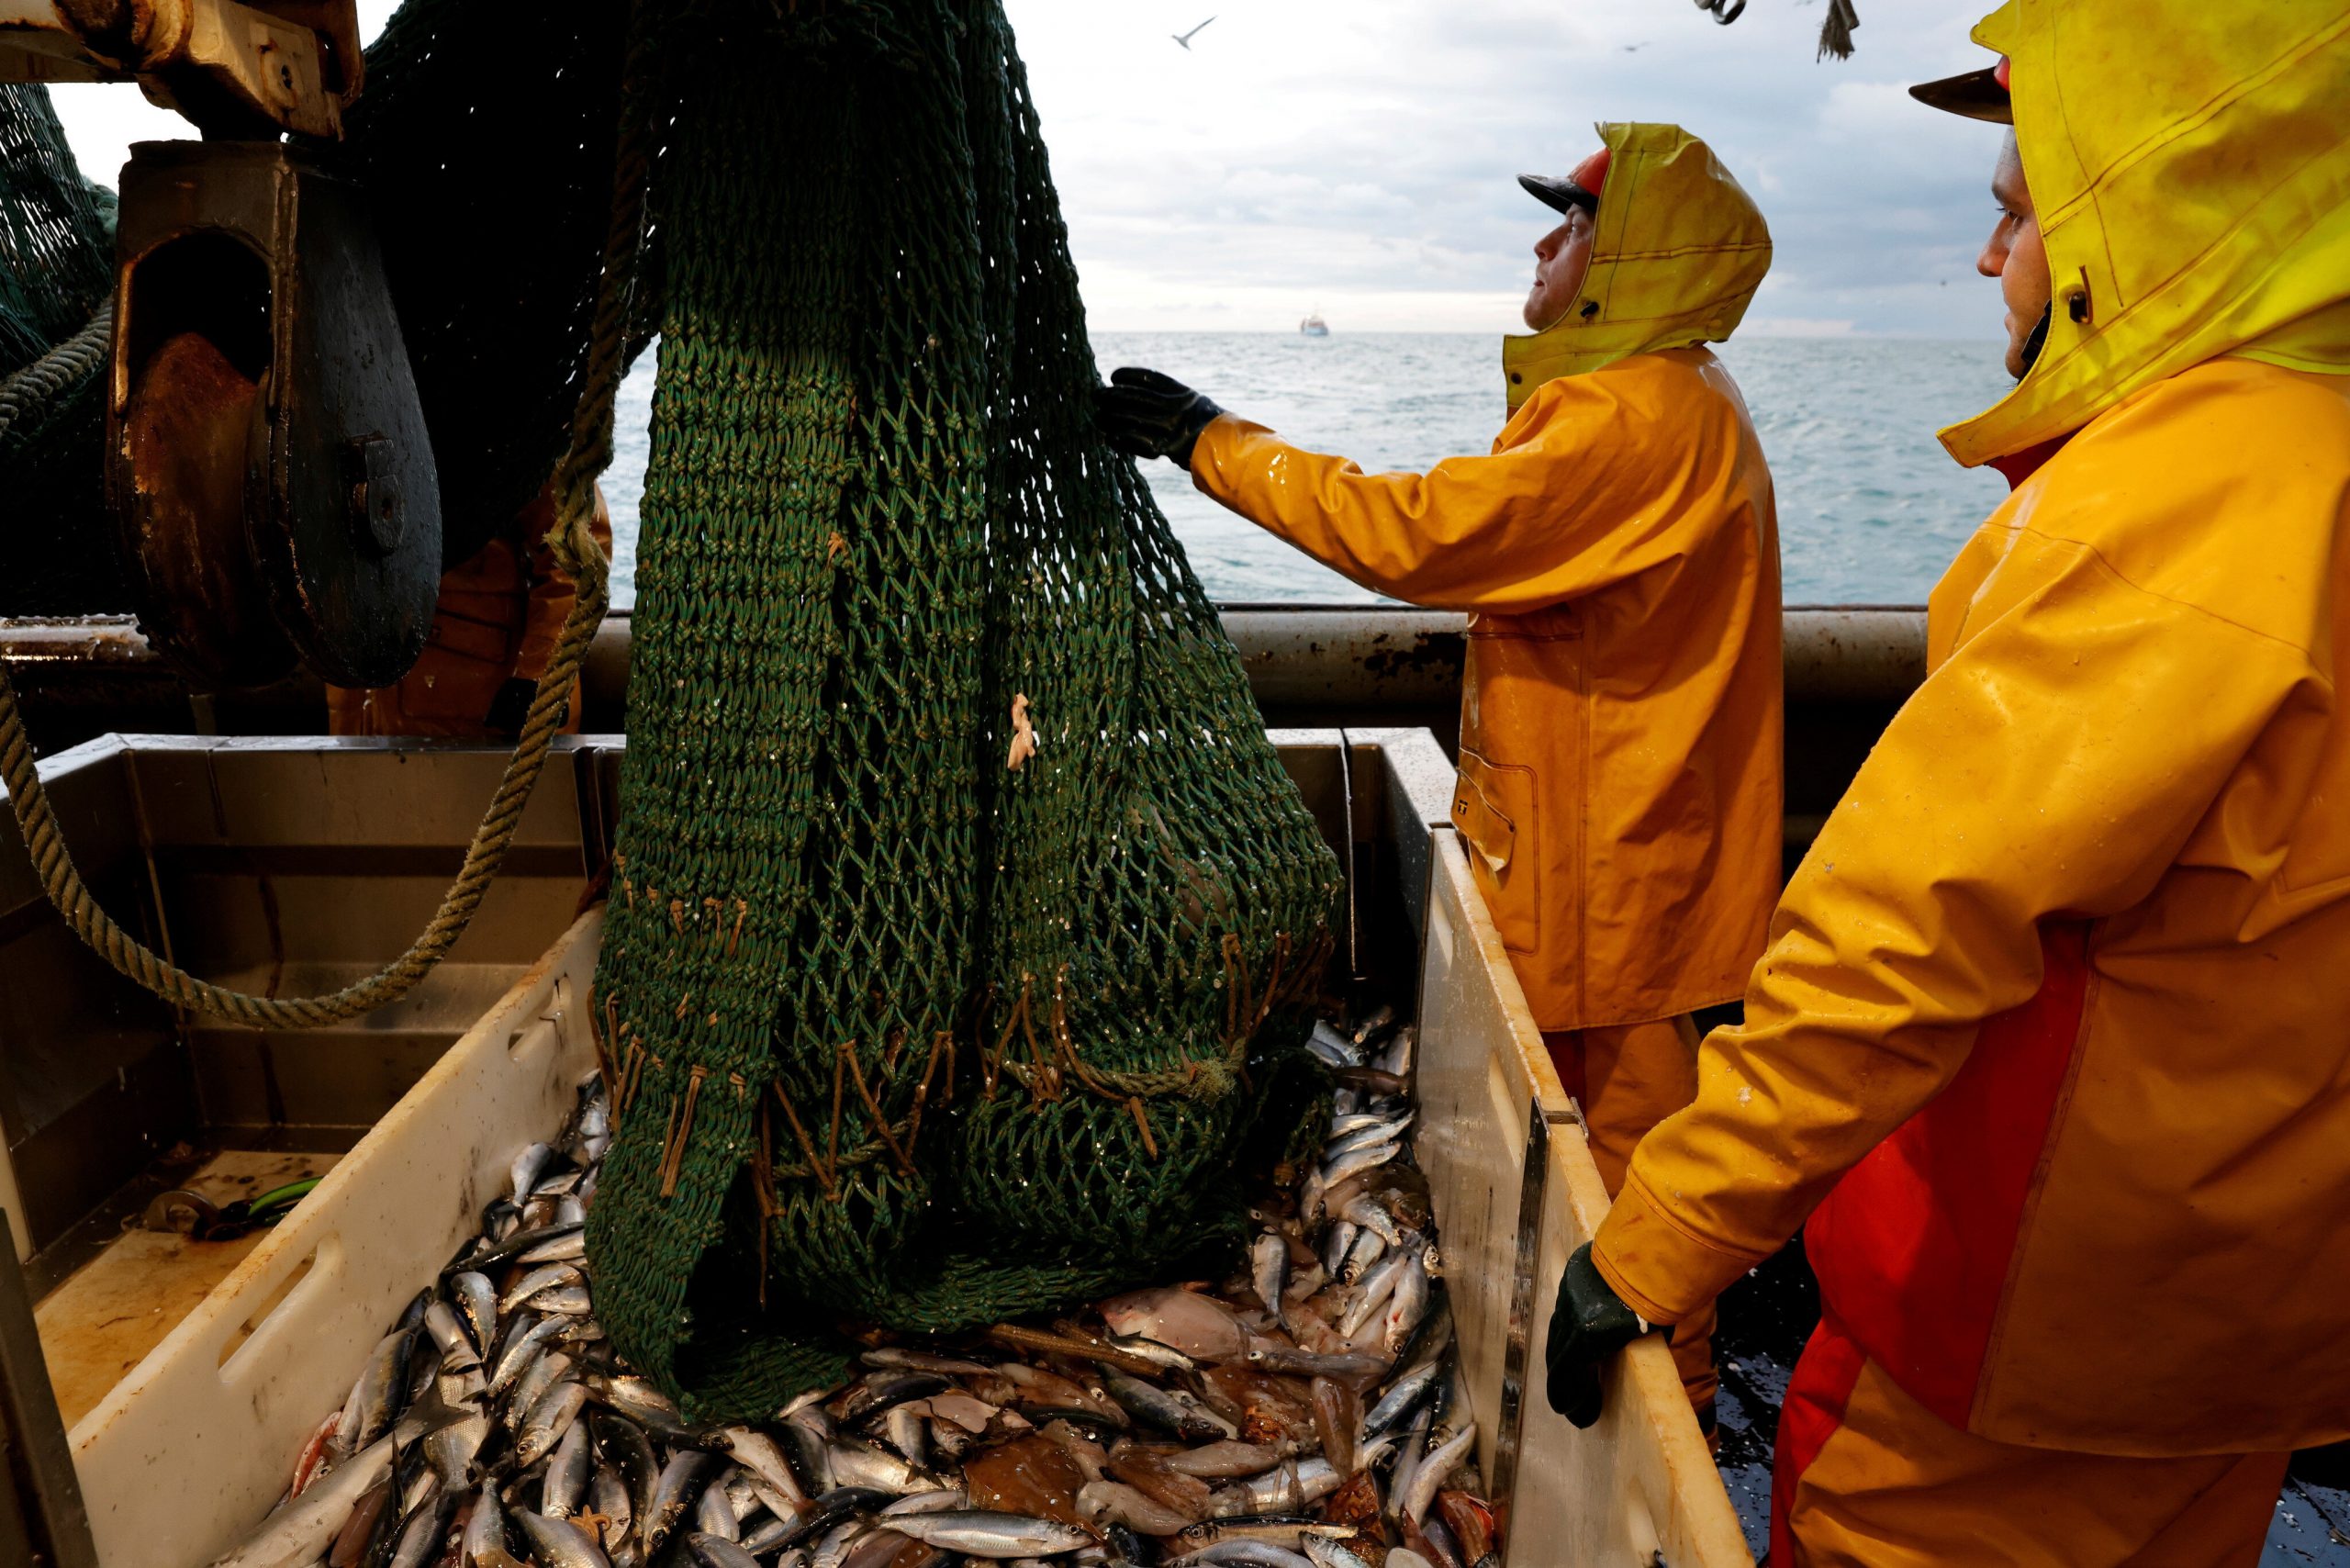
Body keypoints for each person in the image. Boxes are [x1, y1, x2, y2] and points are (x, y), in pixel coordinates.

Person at [1541, 5, 2350, 1563]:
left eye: (2017, 209)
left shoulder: (2165, 505)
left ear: (2156, 209)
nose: (1992, 262)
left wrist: (1658, 1240)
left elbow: (1902, 933)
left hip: (2023, 1339)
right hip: (2259, 1330)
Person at [1095, 123, 1782, 1429]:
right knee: (1610, 1155)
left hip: (1614, 880)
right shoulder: (1654, 400)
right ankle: (1610, 1387)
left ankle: (1661, 1427)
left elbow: (1421, 534)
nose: (1541, 245)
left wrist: (1209, 439)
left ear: (1630, 260)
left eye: (1571, 224)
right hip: (1617, 855)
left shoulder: (1637, 414)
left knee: (1634, 1173)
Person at [326, 480, 611, 739]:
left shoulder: (529, 430)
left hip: (488, 715)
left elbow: (580, 559)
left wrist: (539, 676)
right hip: (361, 702)